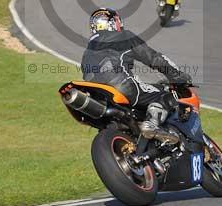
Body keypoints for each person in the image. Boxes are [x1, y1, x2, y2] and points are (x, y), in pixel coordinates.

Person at [81, 8, 193, 142]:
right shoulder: (123, 36)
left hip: (99, 97)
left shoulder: (87, 52)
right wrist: (178, 76)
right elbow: (153, 58)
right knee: (166, 93)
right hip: (122, 87)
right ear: (113, 23)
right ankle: (152, 123)